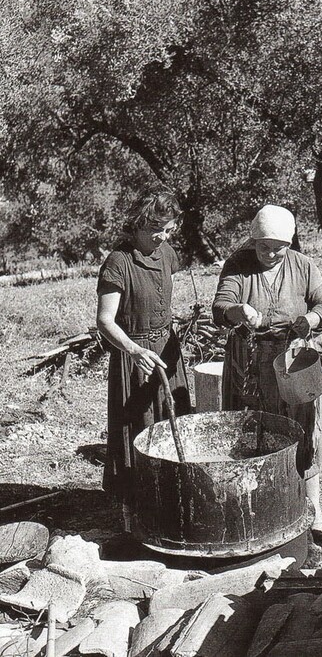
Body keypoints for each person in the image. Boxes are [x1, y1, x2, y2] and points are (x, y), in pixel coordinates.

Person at [212, 204, 322, 541]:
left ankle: (314, 510)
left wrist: (310, 320)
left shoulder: (303, 266)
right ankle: (260, 507)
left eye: (276, 248)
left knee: (304, 429)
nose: (268, 254)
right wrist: (239, 311)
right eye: (262, 246)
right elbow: (220, 307)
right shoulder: (239, 265)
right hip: (248, 362)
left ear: (290, 243)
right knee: (252, 432)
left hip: (293, 360)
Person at [96, 190, 192, 531]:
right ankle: (134, 518)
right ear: (137, 224)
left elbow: (159, 295)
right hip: (133, 356)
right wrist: (134, 351)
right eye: (155, 228)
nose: (162, 236)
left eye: (167, 229)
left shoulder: (166, 253)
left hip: (167, 351)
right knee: (136, 430)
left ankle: (172, 505)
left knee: (172, 422)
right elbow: (105, 320)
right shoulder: (118, 262)